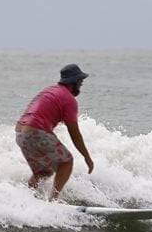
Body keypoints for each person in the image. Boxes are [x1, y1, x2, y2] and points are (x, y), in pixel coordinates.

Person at [15, 64, 95, 201]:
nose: (82, 83)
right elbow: (75, 134)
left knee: (43, 172)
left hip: (20, 133)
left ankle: (25, 199)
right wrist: (87, 157)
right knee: (67, 162)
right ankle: (53, 202)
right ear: (73, 81)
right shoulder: (69, 100)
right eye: (80, 80)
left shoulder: (50, 90)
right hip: (35, 132)